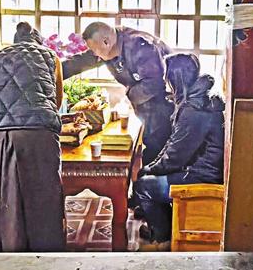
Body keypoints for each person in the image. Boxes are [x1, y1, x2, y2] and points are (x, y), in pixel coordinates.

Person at [0, 22, 65, 252]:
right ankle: (47, 258)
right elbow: (57, 100)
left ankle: (8, 255)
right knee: (43, 203)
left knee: (3, 203)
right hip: (35, 133)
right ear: (38, 42)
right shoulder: (50, 56)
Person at [133, 54, 225, 250]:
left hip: (202, 176)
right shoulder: (198, 99)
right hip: (199, 169)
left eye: (167, 78)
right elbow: (173, 144)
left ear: (176, 79)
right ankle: (165, 229)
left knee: (143, 186)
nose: (166, 84)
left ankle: (163, 239)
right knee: (147, 174)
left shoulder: (195, 110)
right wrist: (152, 166)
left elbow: (175, 157)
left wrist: (149, 170)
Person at [62, 22, 174, 166]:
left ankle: (152, 177)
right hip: (146, 103)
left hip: (166, 103)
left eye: (94, 49)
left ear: (106, 42)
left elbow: (155, 83)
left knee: (158, 150)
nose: (94, 54)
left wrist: (129, 96)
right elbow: (79, 62)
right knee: (149, 147)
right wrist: (52, 72)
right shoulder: (105, 48)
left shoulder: (141, 46)